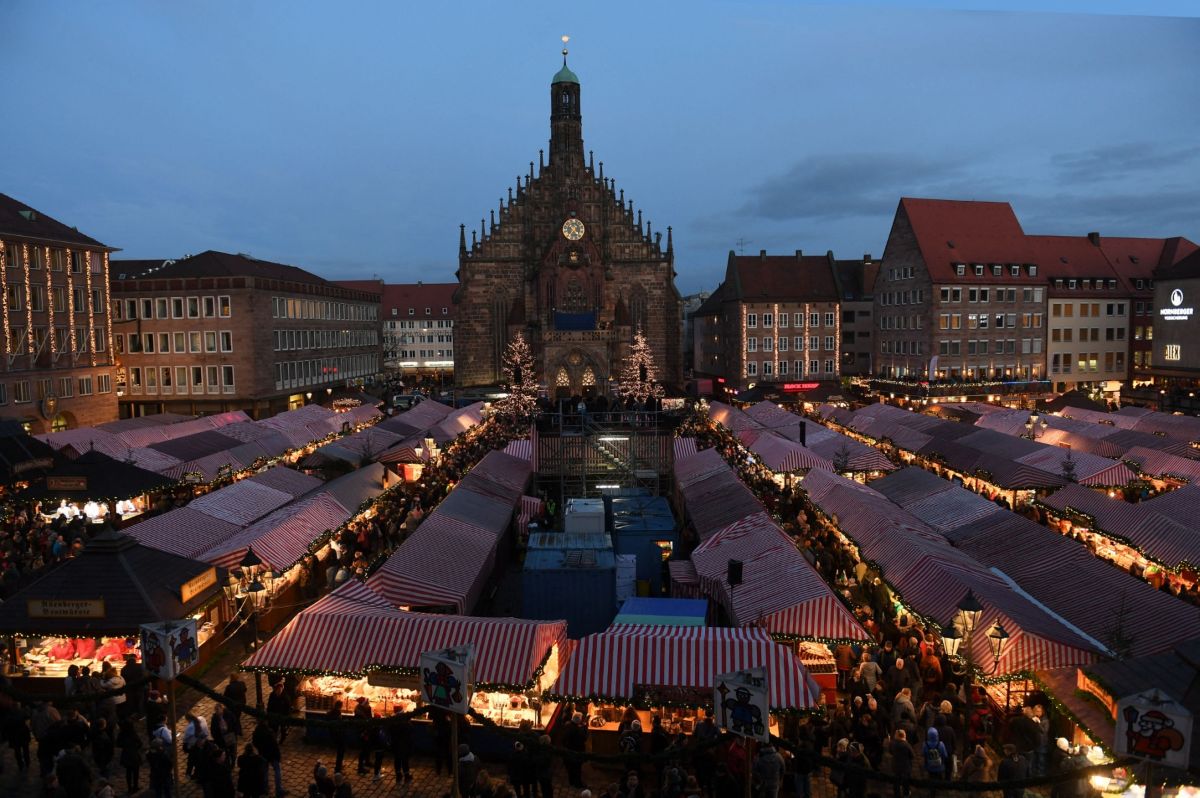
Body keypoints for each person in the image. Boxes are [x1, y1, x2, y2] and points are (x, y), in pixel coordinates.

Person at [252, 715, 285, 797]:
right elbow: (274, 745)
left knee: (265, 772)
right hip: (272, 755)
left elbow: (254, 742)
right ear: (265, 722)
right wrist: (278, 755)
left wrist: (260, 748)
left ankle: (265, 789)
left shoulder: (257, 731)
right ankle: (278, 790)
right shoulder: (269, 732)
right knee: (277, 771)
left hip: (263, 754)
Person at [563, 712, 588, 789]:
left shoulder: (567, 725)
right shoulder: (578, 730)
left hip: (567, 751)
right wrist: (585, 728)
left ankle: (571, 781)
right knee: (577, 769)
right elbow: (584, 738)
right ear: (578, 720)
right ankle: (578, 784)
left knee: (570, 768)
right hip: (576, 752)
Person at [387, 708, 413, 783]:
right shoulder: (405, 723)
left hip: (396, 744)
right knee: (405, 760)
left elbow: (390, 731)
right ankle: (406, 776)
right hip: (404, 744)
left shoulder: (393, 722)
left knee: (397, 759)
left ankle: (398, 775)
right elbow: (410, 731)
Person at [888, 729, 914, 798]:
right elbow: (912, 755)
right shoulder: (906, 745)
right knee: (906, 782)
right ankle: (906, 794)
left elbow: (890, 751)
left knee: (896, 781)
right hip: (905, 766)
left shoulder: (892, 743)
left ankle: (897, 794)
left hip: (896, 765)